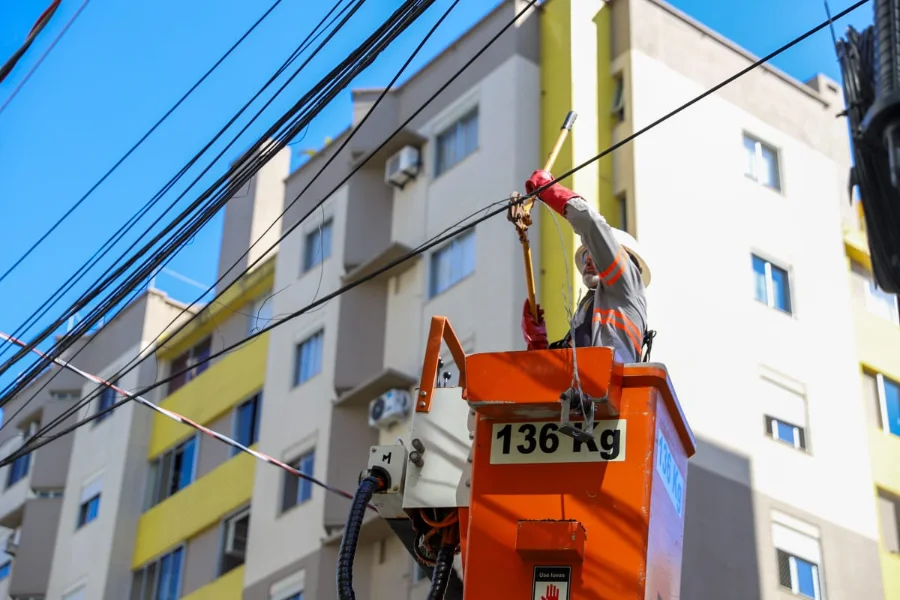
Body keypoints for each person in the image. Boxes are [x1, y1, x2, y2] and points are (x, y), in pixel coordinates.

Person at [520, 170, 652, 364]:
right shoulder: (590, 311)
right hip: (590, 390)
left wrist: (549, 190)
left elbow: (591, 224)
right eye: (585, 255)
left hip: (609, 389)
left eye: (594, 252)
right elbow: (561, 379)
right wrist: (538, 344)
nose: (588, 259)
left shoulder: (627, 285)